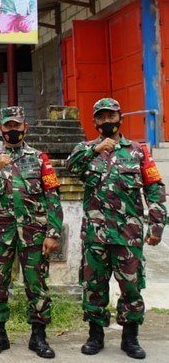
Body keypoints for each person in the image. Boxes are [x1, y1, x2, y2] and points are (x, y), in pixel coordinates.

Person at [66, 98, 166, 359]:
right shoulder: (85, 149)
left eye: (111, 116)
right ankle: (95, 335)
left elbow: (155, 189)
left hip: (128, 236)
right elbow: (71, 166)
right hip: (95, 236)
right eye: (101, 117)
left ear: (121, 118)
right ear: (95, 122)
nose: (107, 121)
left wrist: (156, 225)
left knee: (131, 288)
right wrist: (96, 150)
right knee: (94, 287)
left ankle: (130, 337)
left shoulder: (138, 151)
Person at [0, 106, 63, 358]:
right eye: (8, 126)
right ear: (0, 129)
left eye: (17, 125)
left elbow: (53, 197)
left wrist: (53, 232)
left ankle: (38, 336)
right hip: (1, 233)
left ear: (25, 127)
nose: (13, 130)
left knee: (37, 285)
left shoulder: (40, 158)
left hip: (34, 234)